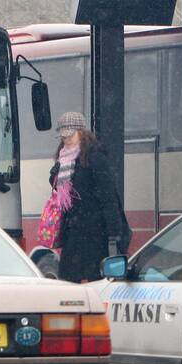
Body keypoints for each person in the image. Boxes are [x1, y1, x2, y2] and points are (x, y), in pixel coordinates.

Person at [49, 112, 123, 283]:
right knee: (69, 281)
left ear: (81, 132)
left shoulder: (95, 157)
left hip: (94, 230)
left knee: (95, 280)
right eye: (63, 136)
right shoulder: (63, 159)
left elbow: (108, 196)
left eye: (70, 135)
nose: (66, 139)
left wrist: (114, 233)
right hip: (72, 231)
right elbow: (60, 190)